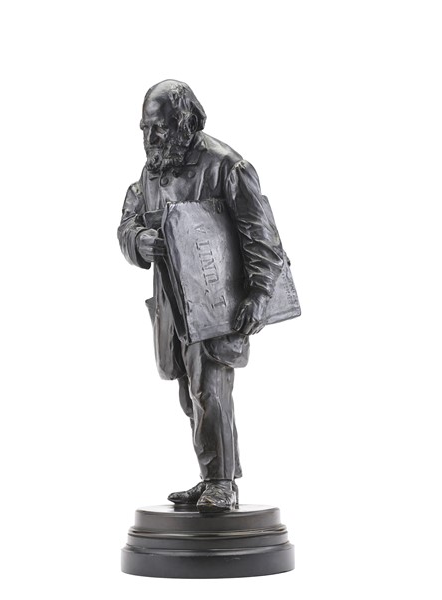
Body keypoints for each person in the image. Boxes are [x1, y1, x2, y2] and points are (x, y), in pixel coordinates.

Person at [118, 80, 284, 512]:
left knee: (210, 391)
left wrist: (260, 293)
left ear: (185, 122)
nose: (150, 138)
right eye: (145, 128)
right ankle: (214, 474)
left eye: (159, 127)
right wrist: (139, 241)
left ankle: (220, 482)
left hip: (217, 303)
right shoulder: (153, 170)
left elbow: (262, 238)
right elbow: (129, 221)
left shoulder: (226, 166)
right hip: (172, 306)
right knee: (189, 394)